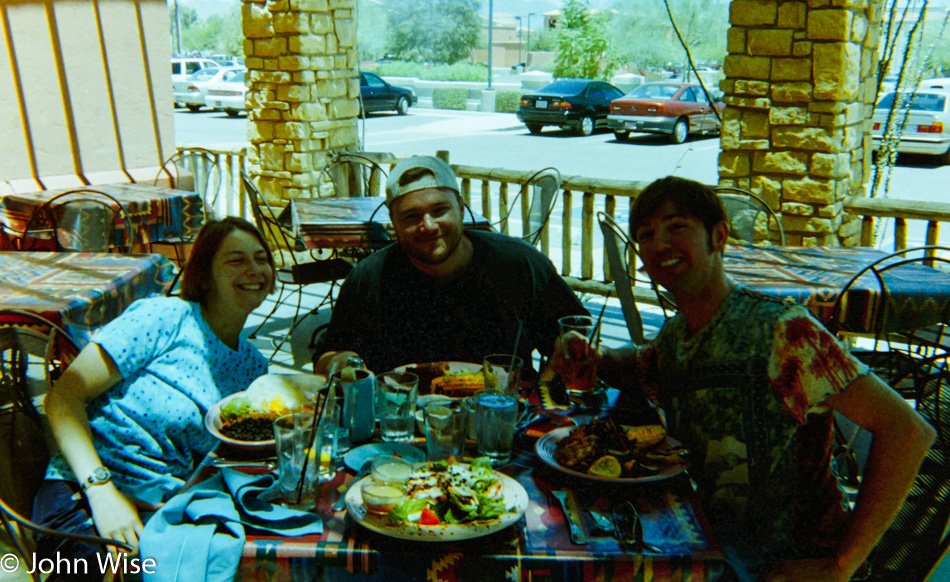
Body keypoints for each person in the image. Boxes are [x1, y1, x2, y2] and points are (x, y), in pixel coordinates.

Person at [552, 176, 936, 582]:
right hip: (715, 548)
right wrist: (595, 356)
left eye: (676, 226)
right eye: (646, 235)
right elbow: (642, 366)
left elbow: (908, 429)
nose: (659, 242)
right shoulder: (678, 335)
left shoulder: (782, 331)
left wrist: (842, 564)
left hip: (788, 564)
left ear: (719, 237)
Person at [32, 216, 276, 571]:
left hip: (166, 509)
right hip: (87, 495)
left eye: (262, 258)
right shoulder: (166, 317)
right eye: (236, 260)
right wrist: (101, 493)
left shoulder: (255, 368)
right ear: (204, 277)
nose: (254, 270)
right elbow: (63, 398)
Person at [313, 155, 587, 379]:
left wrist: (561, 364)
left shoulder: (519, 264)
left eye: (439, 210)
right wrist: (344, 362)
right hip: (400, 428)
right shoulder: (369, 278)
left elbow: (574, 334)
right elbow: (328, 355)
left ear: (461, 207)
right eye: (411, 216)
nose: (428, 225)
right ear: (393, 224)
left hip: (504, 419)